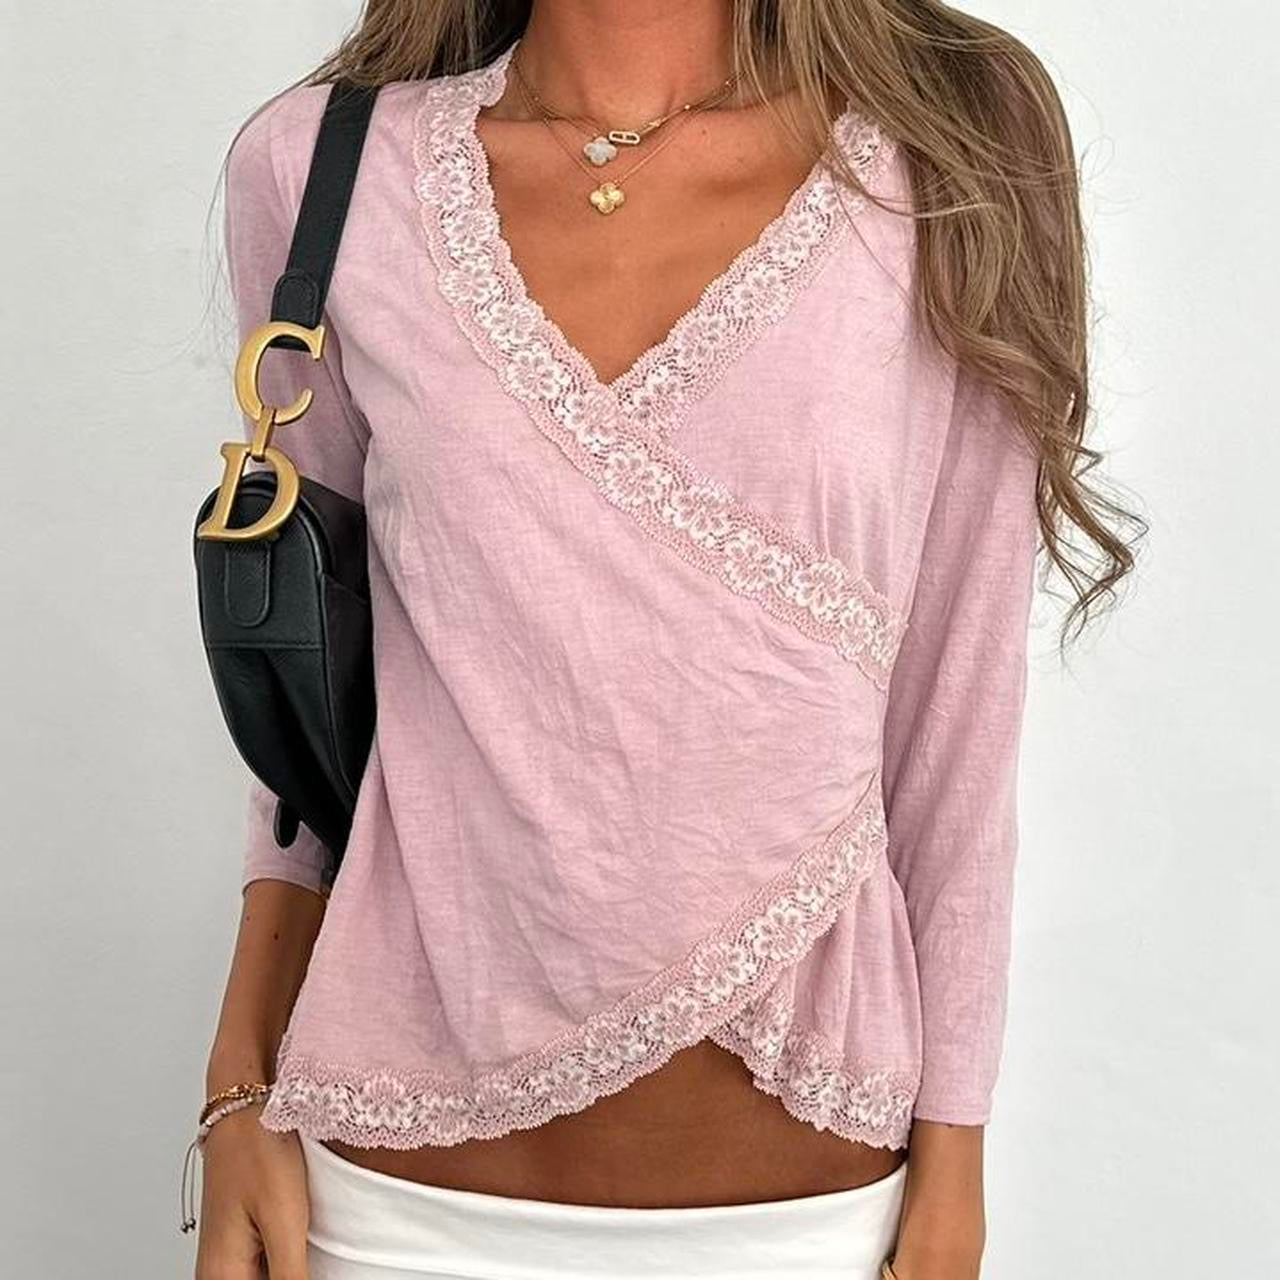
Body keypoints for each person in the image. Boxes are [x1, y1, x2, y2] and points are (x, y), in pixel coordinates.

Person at [193, 3, 1136, 1277]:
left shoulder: (953, 137)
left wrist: (954, 1157)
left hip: (800, 1224)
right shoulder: (323, 167)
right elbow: (307, 696)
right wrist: (237, 1087)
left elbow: (956, 705)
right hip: (390, 1207)